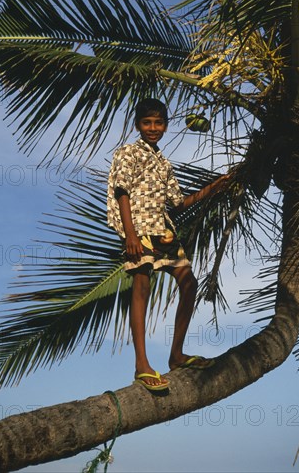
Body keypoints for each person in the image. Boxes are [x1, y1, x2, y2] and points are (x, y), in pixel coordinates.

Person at [107, 98, 229, 391]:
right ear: (138, 125)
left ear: (165, 126)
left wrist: (213, 188)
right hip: (138, 229)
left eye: (158, 123)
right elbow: (121, 191)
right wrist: (131, 235)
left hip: (163, 231)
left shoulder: (163, 162)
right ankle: (142, 365)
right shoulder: (127, 153)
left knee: (189, 283)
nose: (153, 128)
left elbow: (177, 202)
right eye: (147, 123)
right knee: (142, 285)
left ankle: (176, 355)